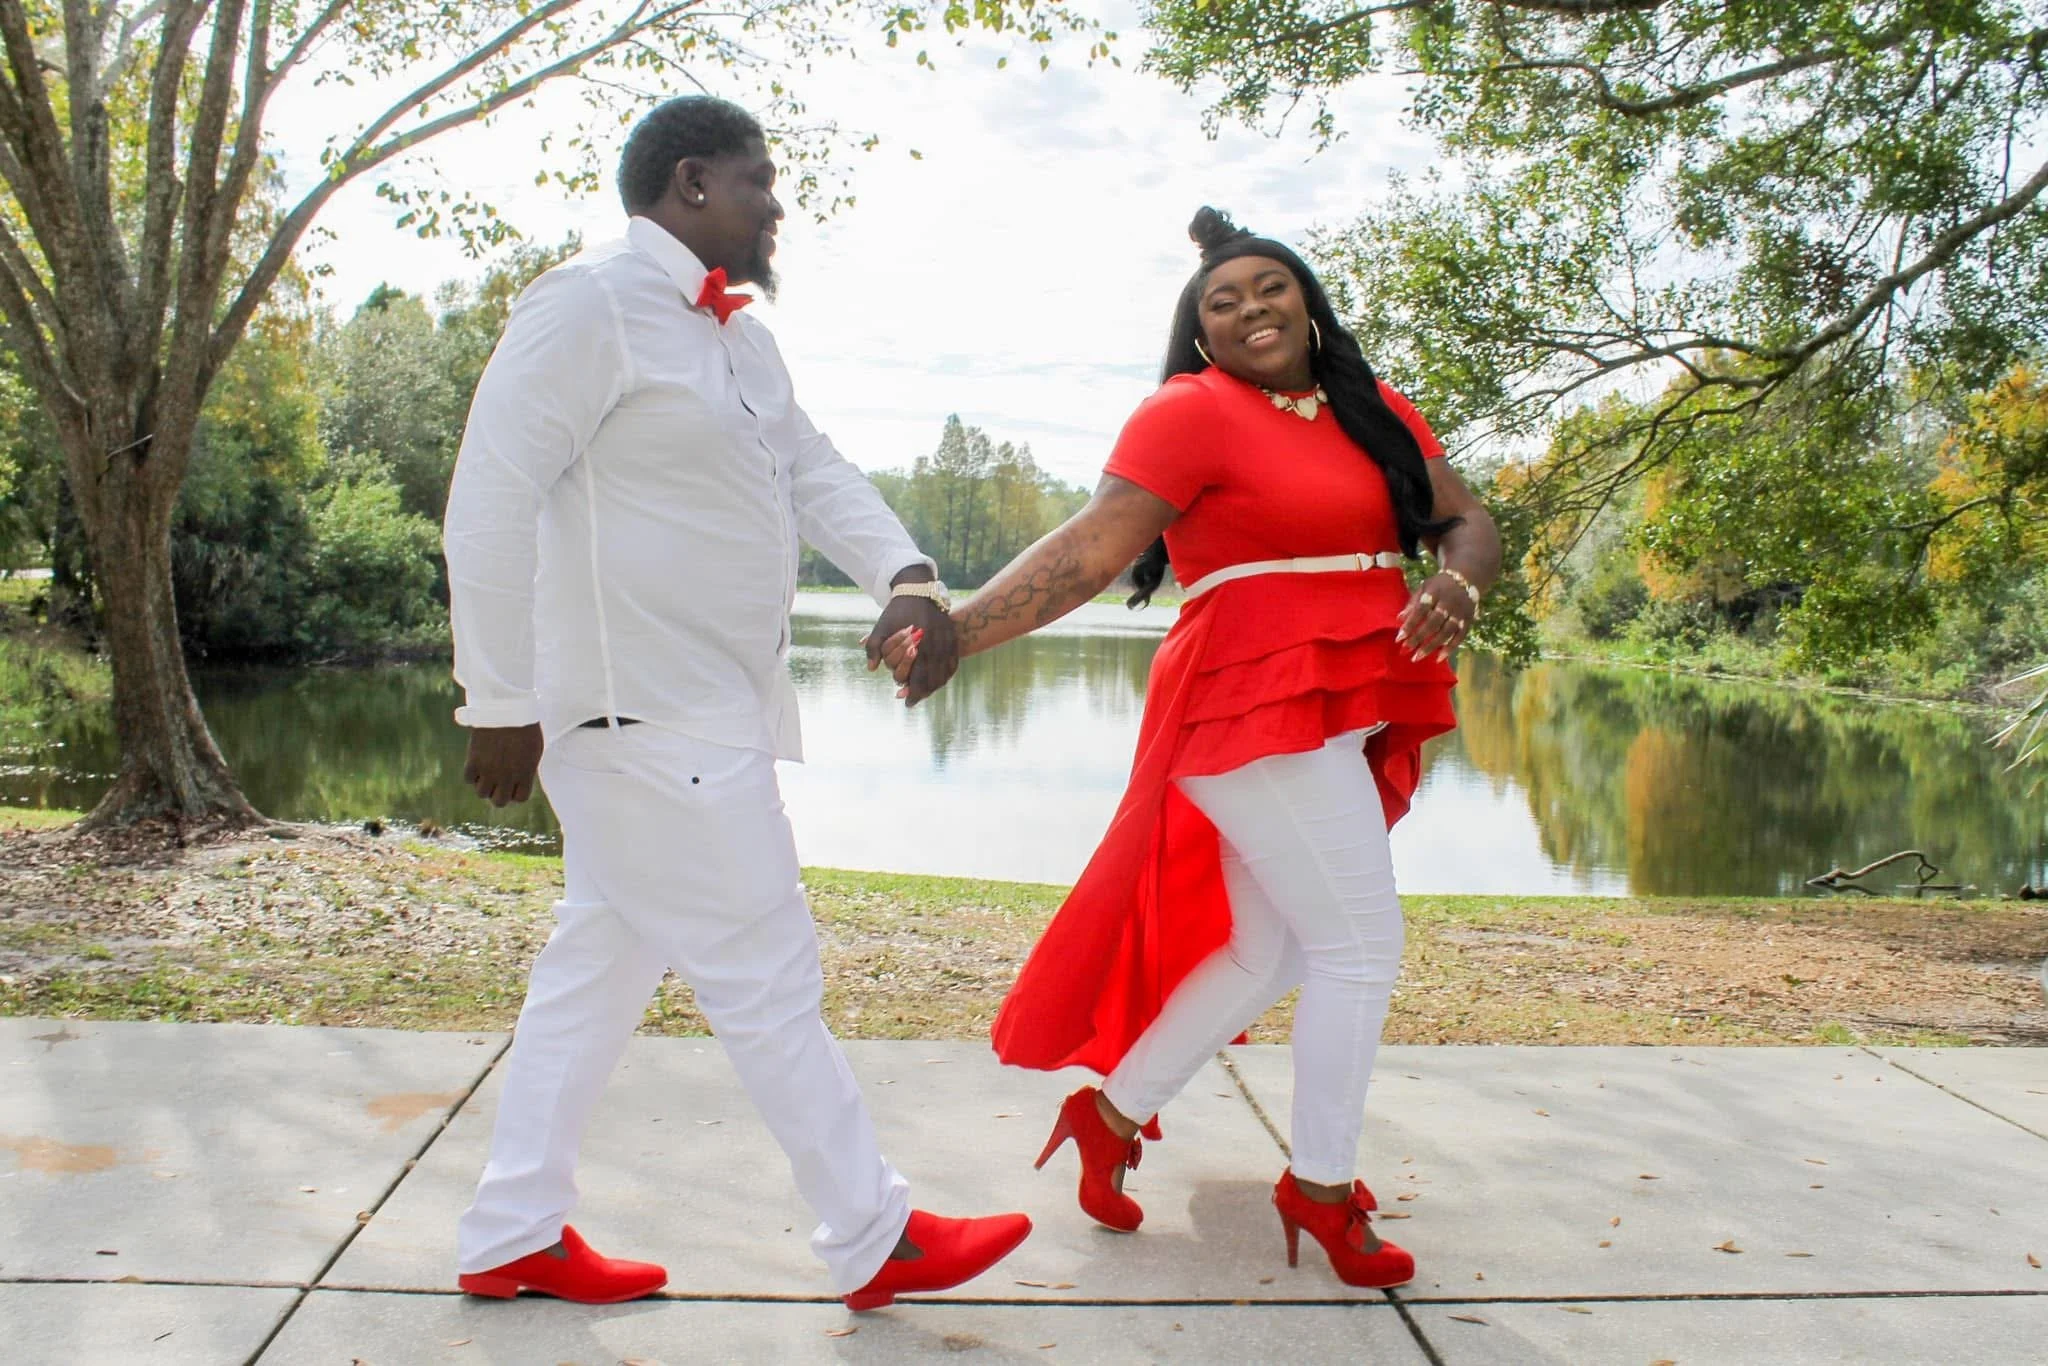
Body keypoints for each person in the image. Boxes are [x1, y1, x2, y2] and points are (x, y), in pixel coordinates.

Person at [441, 95, 1027, 1313]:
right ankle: (874, 1232)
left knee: (598, 965)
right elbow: (489, 497)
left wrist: (909, 579)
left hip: (702, 706)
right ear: (692, 183)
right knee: (766, 966)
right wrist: (494, 693)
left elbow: (812, 466)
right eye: (761, 181)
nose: (776, 205)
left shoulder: (739, 340)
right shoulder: (587, 304)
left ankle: (511, 1228)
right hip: (633, 710)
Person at [880, 206, 1500, 1289]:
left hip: (1338, 695)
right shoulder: (1188, 412)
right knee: (1358, 945)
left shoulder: (1371, 410)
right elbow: (1091, 547)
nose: (1250, 308)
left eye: (1269, 288)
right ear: (1199, 333)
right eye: (1222, 301)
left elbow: (1466, 518)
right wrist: (960, 634)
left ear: (1305, 301)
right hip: (1246, 700)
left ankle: (1109, 1114)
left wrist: (1458, 579)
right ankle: (1317, 1188)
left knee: (1275, 951)